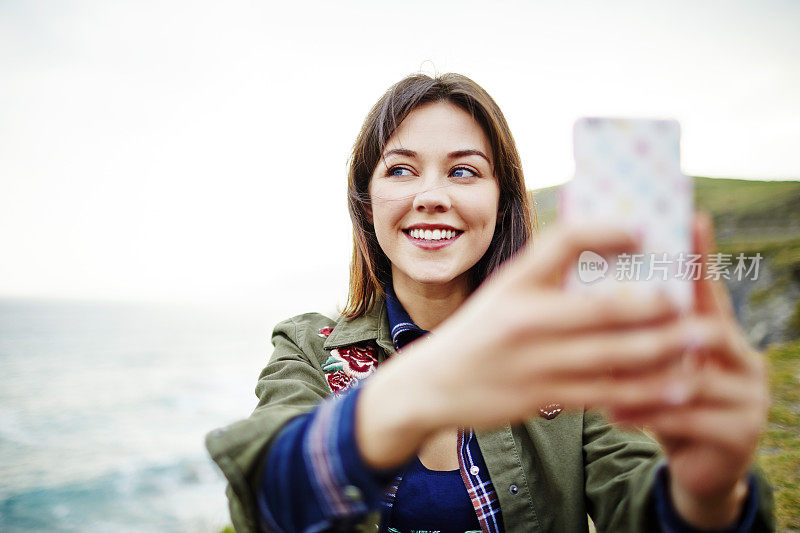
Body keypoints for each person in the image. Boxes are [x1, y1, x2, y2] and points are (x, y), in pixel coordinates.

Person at [205, 73, 775, 533]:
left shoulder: (569, 357)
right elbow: (265, 503)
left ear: (501, 202)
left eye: (464, 171)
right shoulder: (308, 347)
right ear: (367, 202)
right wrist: (421, 389)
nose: (431, 197)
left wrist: (708, 498)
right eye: (400, 169)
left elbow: (636, 495)